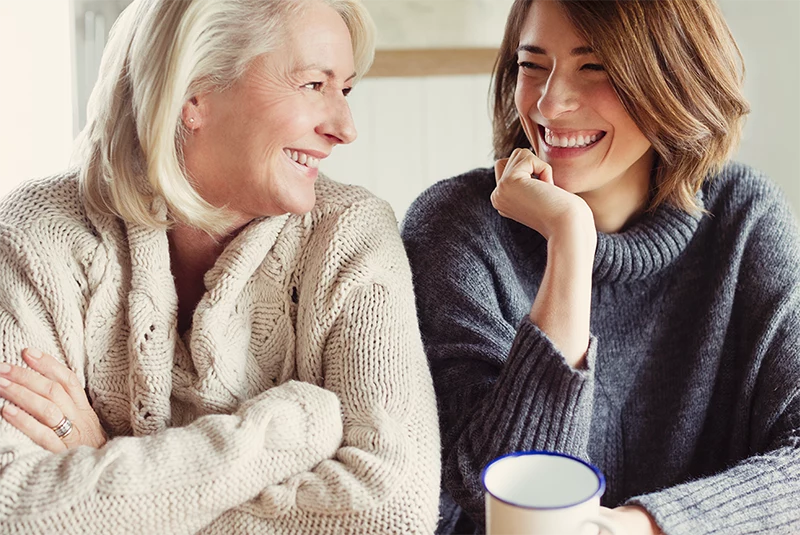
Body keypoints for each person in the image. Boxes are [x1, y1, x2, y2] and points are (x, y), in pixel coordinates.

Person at [0, 0, 440, 532]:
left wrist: (102, 465)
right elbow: (11, 506)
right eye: (313, 85)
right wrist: (291, 429)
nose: (345, 128)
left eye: (345, 90)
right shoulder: (38, 231)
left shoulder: (351, 233)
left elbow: (394, 509)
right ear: (195, 91)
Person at [401, 0, 800, 533]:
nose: (549, 103)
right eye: (532, 65)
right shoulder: (455, 225)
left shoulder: (744, 218)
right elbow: (490, 492)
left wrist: (638, 527)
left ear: (672, 78)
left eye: (595, 67)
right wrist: (569, 243)